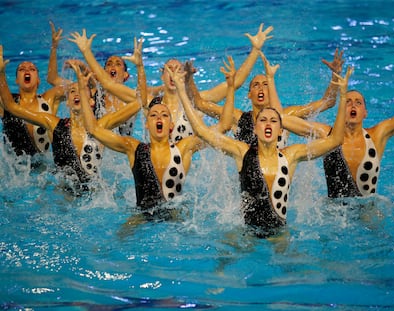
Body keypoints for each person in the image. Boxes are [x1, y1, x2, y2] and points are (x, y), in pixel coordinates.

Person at [168, 63, 353, 237]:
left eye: (273, 121)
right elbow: (201, 129)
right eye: (263, 121)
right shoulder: (241, 147)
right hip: (246, 231)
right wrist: (182, 87)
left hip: (278, 233)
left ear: (282, 129)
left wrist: (343, 95)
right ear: (255, 127)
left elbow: (335, 139)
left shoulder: (290, 153)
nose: (268, 125)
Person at [78, 54, 237, 215]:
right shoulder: (134, 148)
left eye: (164, 115)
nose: (159, 118)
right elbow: (93, 129)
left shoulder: (184, 148)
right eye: (153, 115)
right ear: (146, 124)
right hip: (141, 217)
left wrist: (230, 89)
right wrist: (84, 91)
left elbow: (224, 126)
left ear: (171, 125)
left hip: (175, 216)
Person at [69, 23, 274, 143]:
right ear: (162, 75)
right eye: (169, 69)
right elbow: (110, 85)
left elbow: (235, 83)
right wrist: (87, 52)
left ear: (184, 76)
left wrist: (255, 50)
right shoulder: (150, 102)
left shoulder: (196, 102)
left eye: (178, 69)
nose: (174, 73)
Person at [0, 48, 139, 193]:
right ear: (67, 101)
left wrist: (140, 68)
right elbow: (11, 106)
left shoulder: (99, 126)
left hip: (94, 197)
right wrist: (1, 74)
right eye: (72, 91)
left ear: (91, 101)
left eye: (81, 90)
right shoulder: (54, 124)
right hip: (62, 198)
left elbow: (138, 101)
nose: (76, 94)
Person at [194, 49, 345, 148]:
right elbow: (200, 104)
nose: (260, 88)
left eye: (265, 84)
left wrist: (335, 75)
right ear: (249, 94)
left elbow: (328, 102)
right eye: (256, 85)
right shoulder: (237, 118)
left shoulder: (286, 117)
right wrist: (187, 80)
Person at [317, 90, 394, 198]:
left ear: (365, 113)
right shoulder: (327, 135)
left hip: (367, 210)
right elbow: (294, 121)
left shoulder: (377, 136)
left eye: (358, 102)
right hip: (333, 211)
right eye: (347, 102)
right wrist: (323, 103)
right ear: (340, 111)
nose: (353, 105)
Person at [0, 32, 67, 157]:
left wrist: (54, 47)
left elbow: (75, 88)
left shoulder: (49, 98)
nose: (26, 70)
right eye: (21, 69)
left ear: (38, 80)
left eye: (32, 69)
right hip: (15, 169)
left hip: (43, 167)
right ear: (16, 80)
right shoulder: (6, 101)